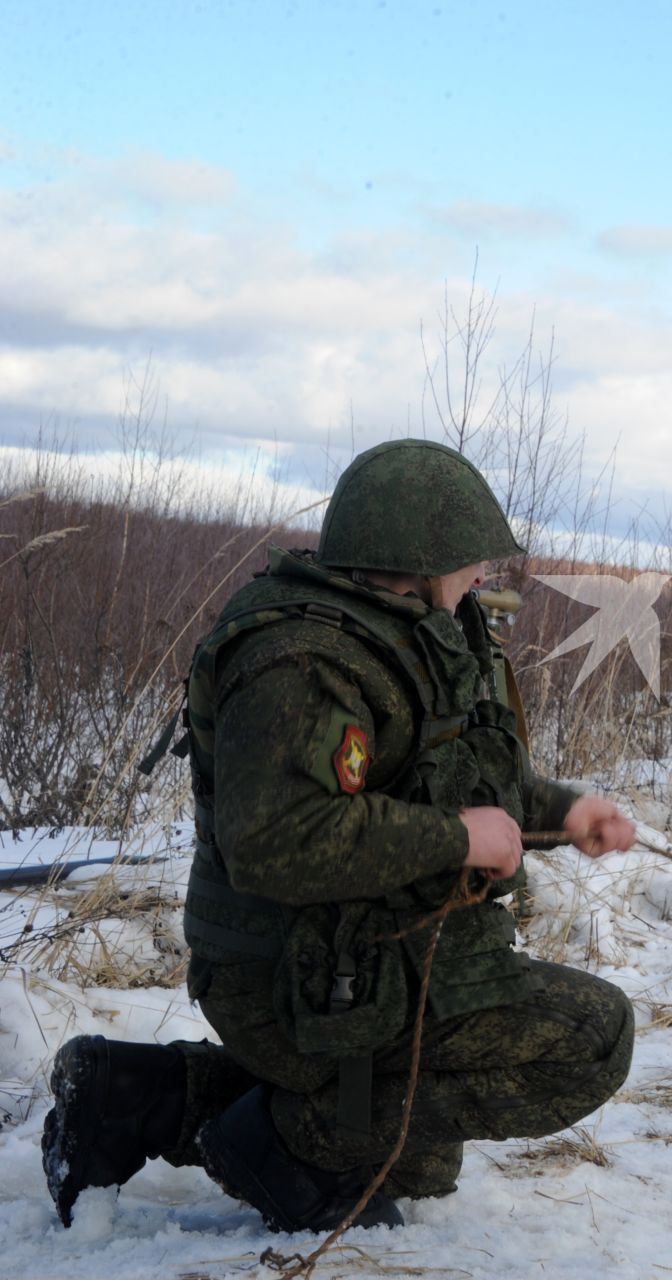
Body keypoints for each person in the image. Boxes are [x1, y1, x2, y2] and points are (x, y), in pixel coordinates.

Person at [41, 438, 637, 1233]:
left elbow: (453, 771)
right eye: (471, 558)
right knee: (591, 1040)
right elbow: (276, 837)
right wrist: (456, 840)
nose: (486, 575)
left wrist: (560, 812)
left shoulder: (422, 626)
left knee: (418, 1157)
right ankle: (285, 1149)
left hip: (358, 955)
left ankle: (140, 1097)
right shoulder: (302, 657)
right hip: (288, 975)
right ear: (416, 557)